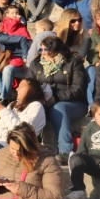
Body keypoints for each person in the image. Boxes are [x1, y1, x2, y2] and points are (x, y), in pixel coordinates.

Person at [29, 36, 87, 164]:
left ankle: (65, 152)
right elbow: (28, 85)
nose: (43, 53)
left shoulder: (73, 62)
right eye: (41, 49)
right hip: (44, 101)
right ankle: (31, 148)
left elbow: (78, 88)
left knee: (58, 108)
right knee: (34, 107)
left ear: (58, 51)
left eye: (47, 50)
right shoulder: (36, 64)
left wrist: (55, 97)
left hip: (73, 103)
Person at [66, 98, 100, 199]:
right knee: (75, 158)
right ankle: (79, 190)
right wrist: (80, 158)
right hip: (93, 162)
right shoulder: (90, 128)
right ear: (94, 116)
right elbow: (82, 150)